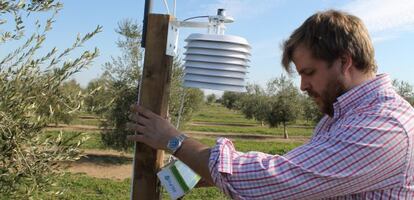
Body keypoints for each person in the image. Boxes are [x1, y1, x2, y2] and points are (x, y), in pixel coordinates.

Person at [127, 10, 414, 199]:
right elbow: (306, 173)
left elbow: (278, 179)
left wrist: (173, 140)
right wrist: (210, 173)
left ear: (345, 61)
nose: (302, 86)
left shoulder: (384, 127)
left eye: (309, 73)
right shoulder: (342, 115)